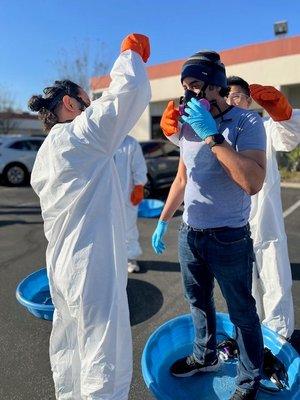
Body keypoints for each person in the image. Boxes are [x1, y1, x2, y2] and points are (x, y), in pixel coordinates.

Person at [28, 33, 151, 400]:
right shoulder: (79, 137)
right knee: (103, 354)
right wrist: (129, 56)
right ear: (70, 103)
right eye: (88, 101)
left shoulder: (47, 153)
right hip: (90, 265)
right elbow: (126, 94)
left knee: (71, 349)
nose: (93, 105)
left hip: (63, 266)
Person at [152, 51, 267, 400]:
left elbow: (252, 182)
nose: (188, 93)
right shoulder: (187, 125)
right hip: (191, 234)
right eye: (184, 86)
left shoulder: (247, 123)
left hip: (230, 237)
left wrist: (214, 137)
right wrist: (163, 220)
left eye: (196, 85)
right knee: (197, 301)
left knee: (242, 310)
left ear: (216, 87)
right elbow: (182, 179)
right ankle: (205, 356)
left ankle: (248, 380)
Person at [227, 76, 300, 339]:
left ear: (248, 101)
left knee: (273, 274)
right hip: (232, 220)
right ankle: (249, 335)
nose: (230, 101)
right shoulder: (220, 131)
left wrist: (282, 112)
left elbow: (289, 137)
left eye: (236, 96)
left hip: (264, 216)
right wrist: (172, 131)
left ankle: (279, 337)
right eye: (226, 96)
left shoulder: (264, 127)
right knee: (242, 283)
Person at [114, 135, 147, 273]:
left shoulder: (130, 143)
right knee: (103, 229)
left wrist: (139, 186)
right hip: (103, 196)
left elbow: (139, 166)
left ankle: (130, 258)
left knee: (128, 228)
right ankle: (109, 259)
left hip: (126, 195)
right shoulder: (100, 138)